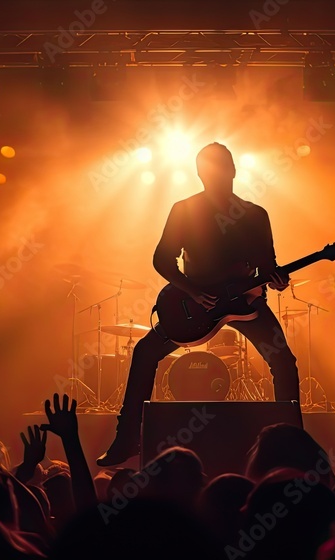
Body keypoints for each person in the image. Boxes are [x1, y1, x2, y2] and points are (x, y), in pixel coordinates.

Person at [96, 142, 300, 466]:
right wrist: (190, 291)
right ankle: (126, 439)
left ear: (233, 170)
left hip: (245, 304)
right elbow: (162, 259)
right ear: (199, 174)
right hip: (196, 306)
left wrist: (276, 280)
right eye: (209, 169)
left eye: (222, 167)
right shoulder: (184, 209)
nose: (216, 175)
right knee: (145, 352)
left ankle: (290, 443)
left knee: (284, 361)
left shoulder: (255, 215)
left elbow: (267, 265)